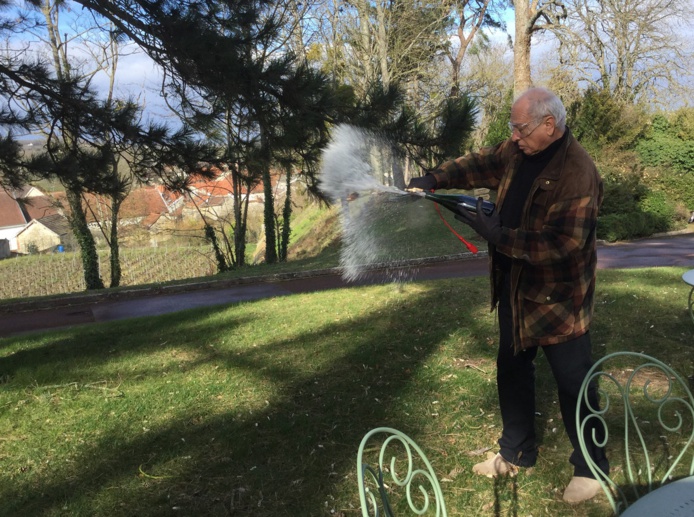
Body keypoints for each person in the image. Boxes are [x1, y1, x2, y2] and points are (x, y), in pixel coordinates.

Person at [407, 87, 609, 504]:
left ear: (548, 124)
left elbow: (563, 245)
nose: (513, 136)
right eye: (513, 128)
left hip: (559, 297)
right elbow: (481, 161)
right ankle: (515, 451)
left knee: (574, 382)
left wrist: (498, 235)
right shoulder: (518, 151)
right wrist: (435, 178)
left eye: (520, 128)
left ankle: (591, 468)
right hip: (516, 285)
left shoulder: (578, 172)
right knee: (512, 369)